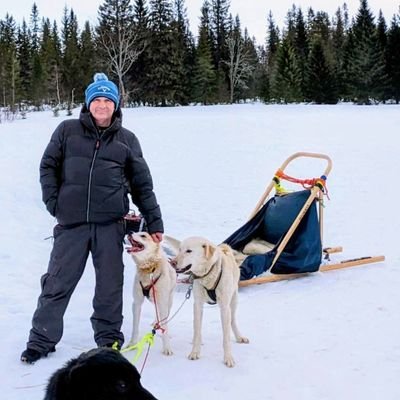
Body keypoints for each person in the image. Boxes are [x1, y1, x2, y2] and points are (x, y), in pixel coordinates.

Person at [21, 73, 163, 364]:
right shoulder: (67, 131)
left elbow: (142, 184)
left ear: (115, 105)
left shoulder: (127, 140)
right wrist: (54, 202)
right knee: (56, 283)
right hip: (71, 224)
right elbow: (48, 166)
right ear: (87, 104)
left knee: (109, 286)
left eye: (107, 100)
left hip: (110, 225)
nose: (101, 105)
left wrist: (155, 221)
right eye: (96, 100)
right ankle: (41, 340)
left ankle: (108, 341)